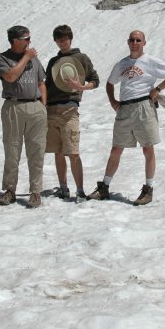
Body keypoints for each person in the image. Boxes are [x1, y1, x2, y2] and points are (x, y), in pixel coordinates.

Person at [87, 30, 165, 206]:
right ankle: (104, 186)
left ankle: (148, 189)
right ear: (127, 42)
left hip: (144, 106)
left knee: (147, 149)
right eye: (132, 40)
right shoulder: (122, 64)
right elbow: (109, 83)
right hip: (125, 108)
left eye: (138, 40)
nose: (135, 43)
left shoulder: (150, 61)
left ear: (144, 43)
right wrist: (113, 101)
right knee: (116, 149)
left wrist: (157, 89)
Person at [44, 24, 100, 203]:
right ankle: (63, 188)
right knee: (57, 152)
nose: (62, 41)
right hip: (51, 109)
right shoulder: (53, 61)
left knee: (73, 152)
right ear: (55, 41)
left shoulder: (81, 57)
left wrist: (82, 87)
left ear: (70, 38)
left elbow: (95, 80)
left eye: (65, 38)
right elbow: (46, 85)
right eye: (59, 39)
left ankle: (80, 191)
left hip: (69, 109)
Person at [0, 25, 47, 208]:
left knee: (36, 151)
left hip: (35, 106)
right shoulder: (2, 58)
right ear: (15, 40)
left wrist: (43, 107)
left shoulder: (35, 59)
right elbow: (10, 76)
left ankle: (35, 192)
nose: (29, 42)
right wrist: (26, 57)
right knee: (12, 150)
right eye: (25, 38)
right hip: (13, 106)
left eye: (29, 38)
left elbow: (41, 82)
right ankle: (10, 190)